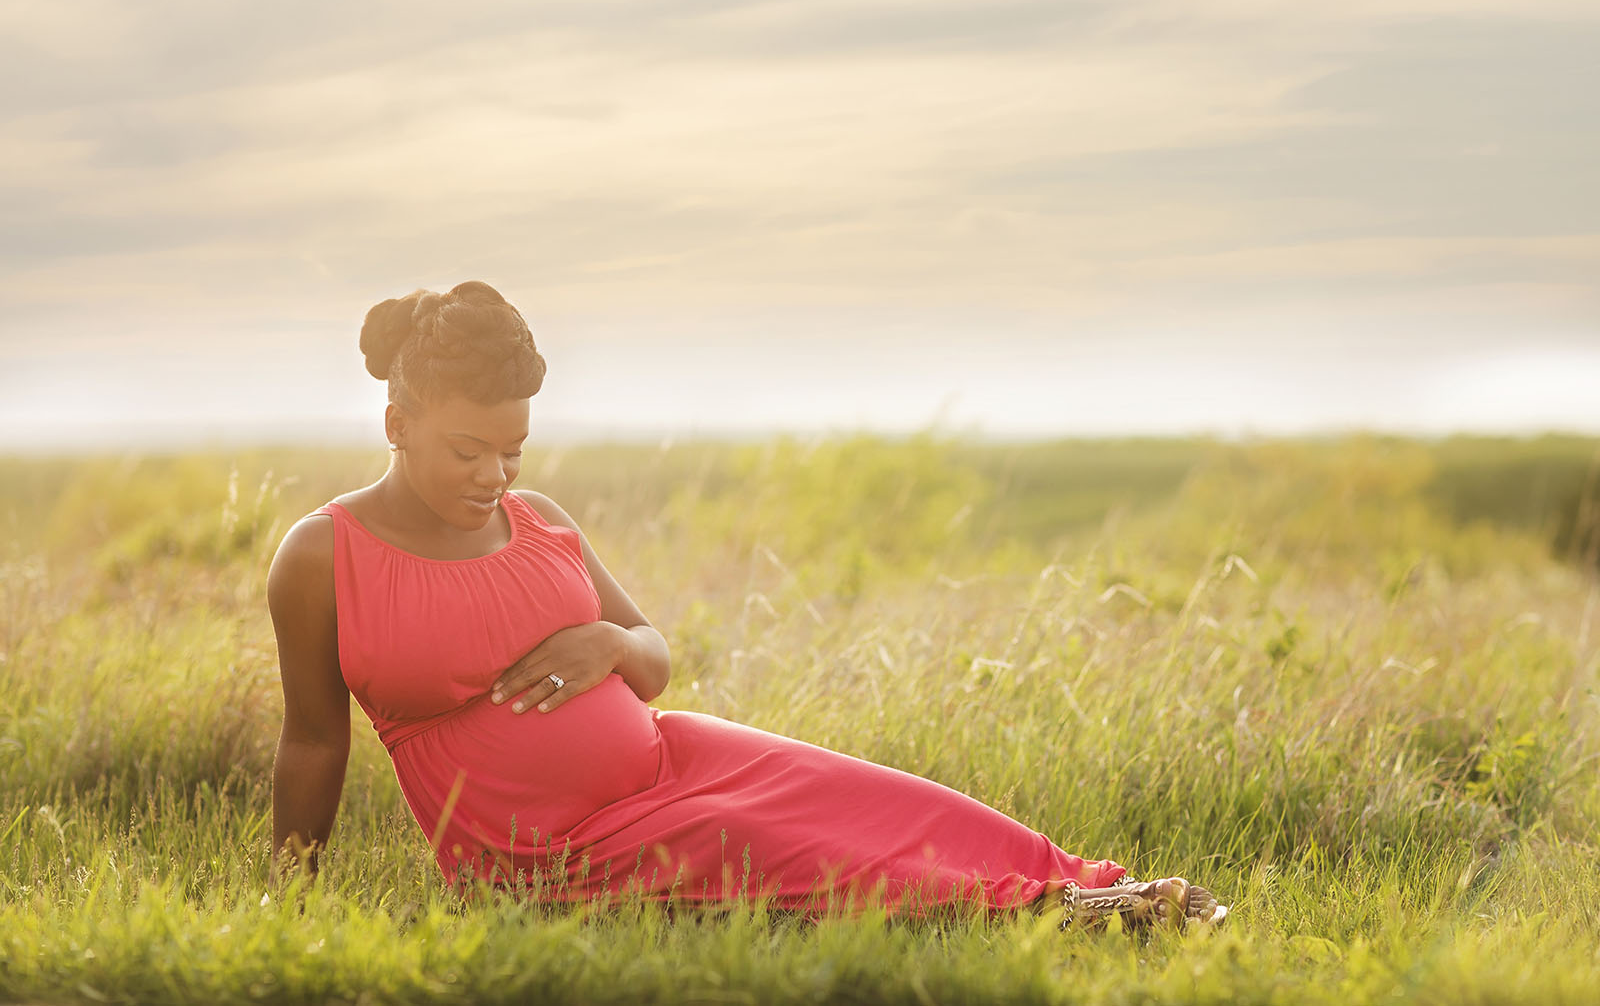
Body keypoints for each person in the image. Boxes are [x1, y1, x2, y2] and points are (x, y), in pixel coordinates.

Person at [267, 280, 1226, 930]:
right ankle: (1072, 919)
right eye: (466, 450)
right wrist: (290, 897)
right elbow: (315, 740)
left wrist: (606, 642)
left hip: (670, 758)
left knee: (881, 800)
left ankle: (1088, 880)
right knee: (803, 853)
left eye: (512, 447)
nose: (494, 472)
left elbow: (653, 657)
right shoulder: (323, 556)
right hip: (548, 852)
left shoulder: (539, 518)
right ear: (397, 425)